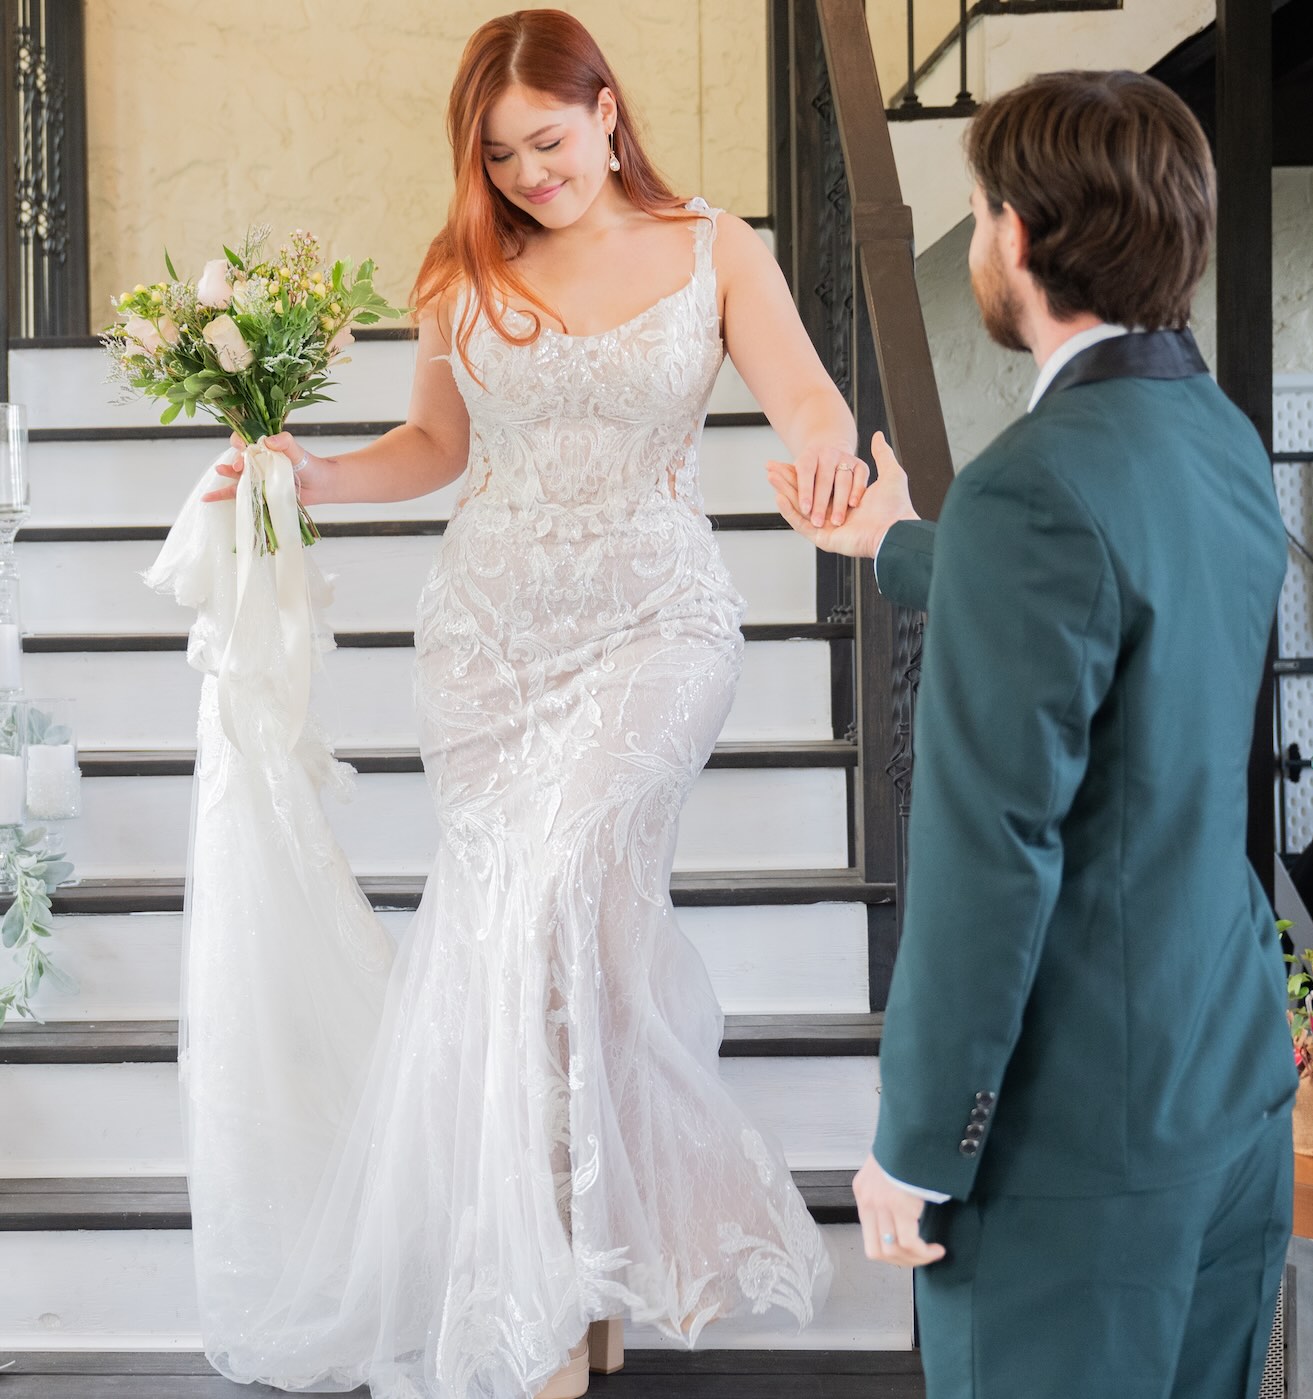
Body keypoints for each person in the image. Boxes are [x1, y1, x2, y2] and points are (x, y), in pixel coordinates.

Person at [198, 11, 858, 1397]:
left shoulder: (713, 246)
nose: (527, 175)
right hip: (489, 645)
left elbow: (804, 400)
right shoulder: (466, 266)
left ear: (609, 112)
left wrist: (820, 464)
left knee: (559, 901)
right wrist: (305, 478)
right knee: (547, 953)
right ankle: (570, 1282)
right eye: (500, 156)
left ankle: (557, 1299)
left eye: (547, 142)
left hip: (657, 627)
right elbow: (437, 446)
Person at [768, 70, 1294, 1398]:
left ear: (1023, 236)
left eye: (983, 210)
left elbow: (990, 852)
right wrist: (901, 544)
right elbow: (1120, 603)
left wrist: (920, 1142)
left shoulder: (1031, 486)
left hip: (1077, 1145)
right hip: (1227, 1091)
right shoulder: (1216, 437)